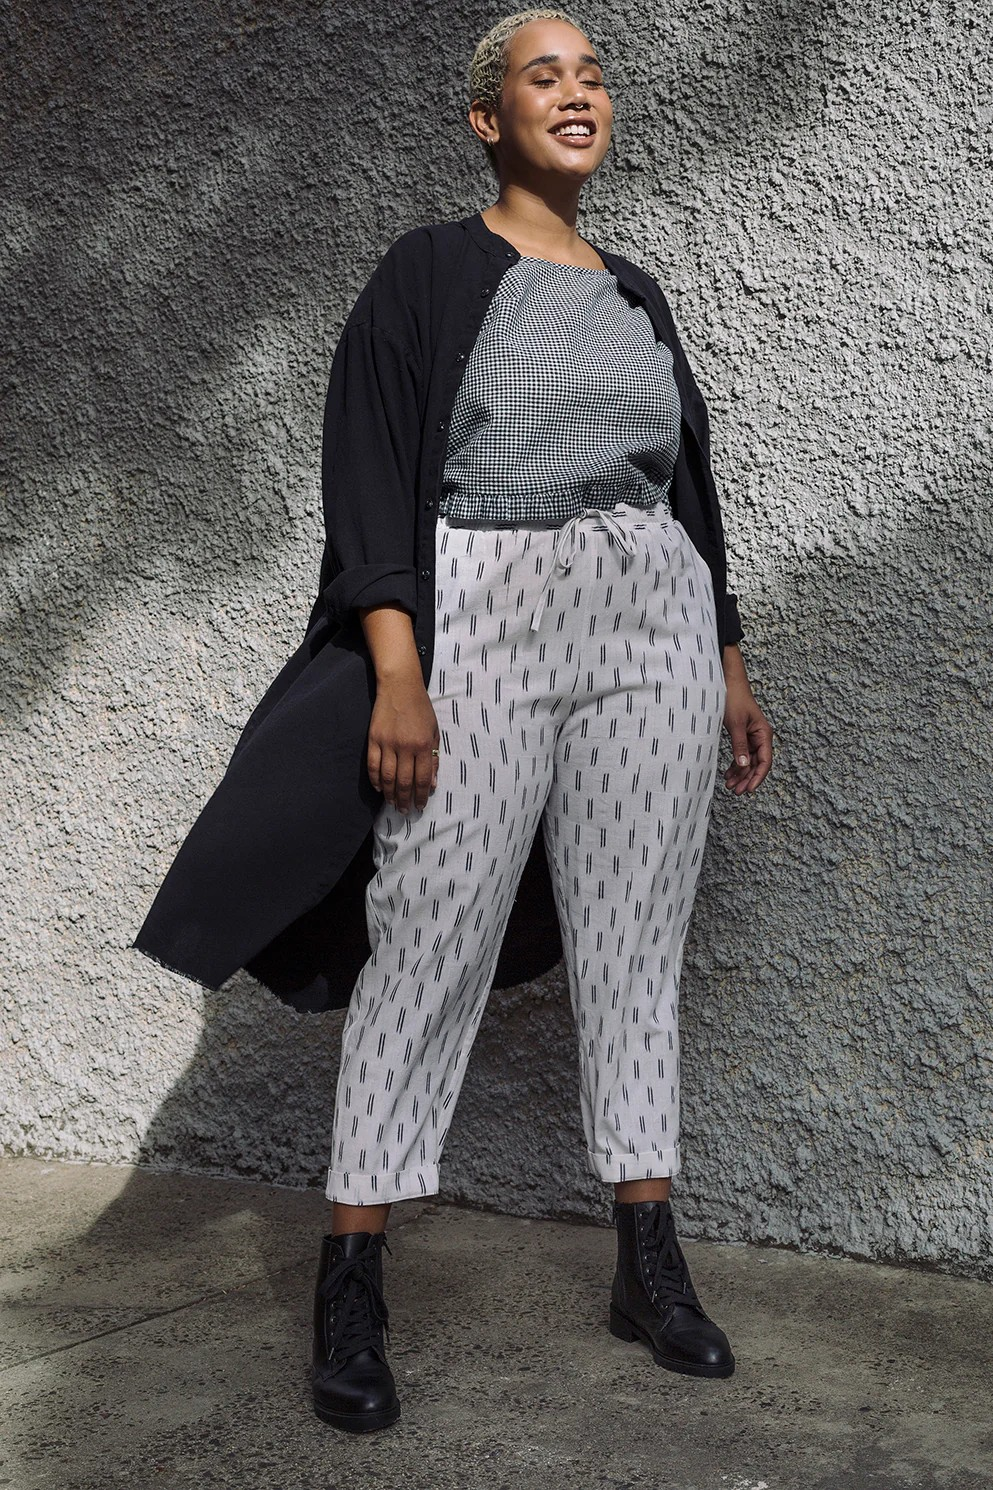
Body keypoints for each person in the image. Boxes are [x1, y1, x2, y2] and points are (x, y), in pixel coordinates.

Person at [133, 5, 773, 1437]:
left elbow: (689, 483)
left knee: (634, 939)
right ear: (489, 119)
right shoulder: (427, 269)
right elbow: (367, 468)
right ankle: (353, 1278)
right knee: (428, 934)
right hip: (485, 610)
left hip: (653, 626)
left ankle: (649, 1259)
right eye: (546, 75)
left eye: (593, 73)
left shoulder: (637, 292)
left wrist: (727, 654)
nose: (579, 91)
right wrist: (398, 667)